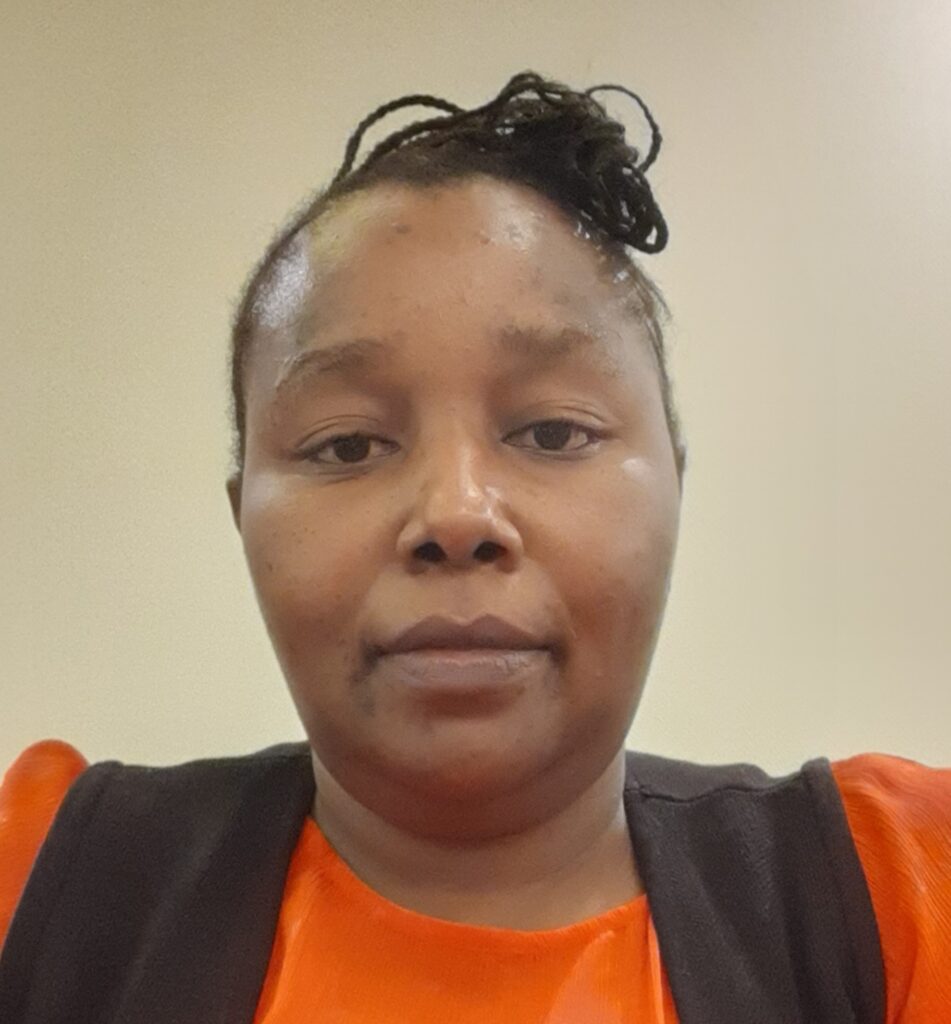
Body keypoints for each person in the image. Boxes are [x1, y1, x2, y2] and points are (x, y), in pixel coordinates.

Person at [1, 70, 948, 1023]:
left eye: (552, 432)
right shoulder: (44, 884)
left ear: (675, 484)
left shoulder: (897, 891)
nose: (456, 515)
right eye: (347, 445)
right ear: (241, 514)